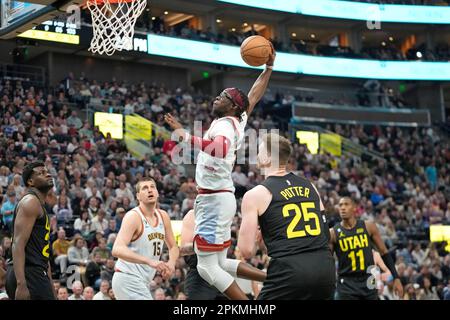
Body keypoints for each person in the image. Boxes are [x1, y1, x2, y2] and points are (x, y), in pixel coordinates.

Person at [164, 43, 275, 300]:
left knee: (207, 267)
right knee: (221, 264)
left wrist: (185, 136)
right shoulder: (236, 119)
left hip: (215, 200)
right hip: (217, 197)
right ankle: (275, 280)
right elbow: (254, 95)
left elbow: (219, 148)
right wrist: (268, 67)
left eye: (223, 96)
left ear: (233, 106)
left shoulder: (225, 125)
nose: (217, 98)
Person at [238, 133, 336, 299]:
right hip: (325, 269)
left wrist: (258, 239)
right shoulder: (311, 187)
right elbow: (325, 235)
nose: (256, 155)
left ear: (268, 157)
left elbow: (246, 251)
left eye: (260, 151)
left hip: (290, 271)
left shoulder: (255, 195)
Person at [111, 177, 179, 300]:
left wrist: (171, 264)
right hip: (127, 277)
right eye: (145, 188)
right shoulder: (133, 217)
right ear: (138, 196)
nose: (150, 190)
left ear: (157, 193)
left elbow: (173, 246)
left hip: (143, 281)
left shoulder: (163, 216)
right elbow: (117, 249)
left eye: (152, 187)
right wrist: (149, 261)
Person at [329, 197, 404, 300]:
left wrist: (396, 278)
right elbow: (328, 262)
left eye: (346, 204)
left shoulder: (369, 227)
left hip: (369, 281)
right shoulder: (333, 233)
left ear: (354, 208)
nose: (342, 208)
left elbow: (384, 252)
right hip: (347, 284)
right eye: (340, 205)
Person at [5, 161, 57, 300]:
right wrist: (21, 284)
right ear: (30, 181)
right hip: (27, 274)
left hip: (36, 272)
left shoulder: (39, 206)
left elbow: (43, 255)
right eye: (41, 173)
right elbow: (18, 244)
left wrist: (51, 289)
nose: (48, 174)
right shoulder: (30, 202)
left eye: (47, 171)